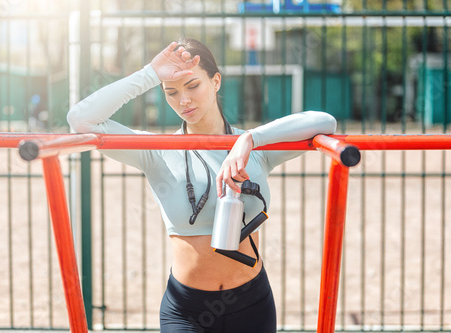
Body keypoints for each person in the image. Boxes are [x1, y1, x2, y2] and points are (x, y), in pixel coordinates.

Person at [67, 37, 337, 333]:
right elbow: (81, 119)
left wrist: (249, 139)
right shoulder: (155, 151)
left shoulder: (255, 147)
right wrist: (150, 74)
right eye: (171, 92)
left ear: (216, 81)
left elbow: (325, 122)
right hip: (186, 312)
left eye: (193, 86)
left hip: (253, 305)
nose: (184, 101)